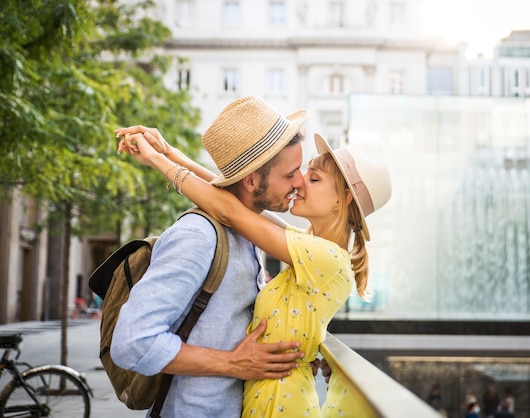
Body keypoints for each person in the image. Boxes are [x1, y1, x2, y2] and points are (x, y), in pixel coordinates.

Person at [119, 125, 392, 416]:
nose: (299, 183)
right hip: (272, 395)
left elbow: (230, 211)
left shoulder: (323, 257)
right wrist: (170, 153)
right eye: (296, 174)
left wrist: (158, 161)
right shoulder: (311, 247)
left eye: (313, 178)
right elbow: (234, 198)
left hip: (281, 403)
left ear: (344, 199)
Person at [110, 96, 310, 417]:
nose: (300, 182)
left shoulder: (248, 230)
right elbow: (132, 342)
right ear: (251, 181)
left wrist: (169, 155)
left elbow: (226, 198)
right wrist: (233, 362)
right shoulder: (197, 236)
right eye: (290, 174)